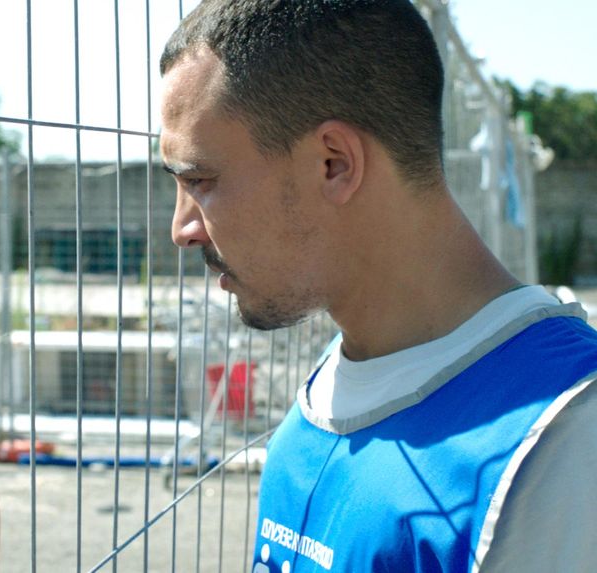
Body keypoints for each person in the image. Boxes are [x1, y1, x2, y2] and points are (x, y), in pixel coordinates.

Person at [159, 1, 597, 572]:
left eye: (200, 180)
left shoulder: (563, 442)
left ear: (335, 164)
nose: (182, 230)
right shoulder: (324, 396)